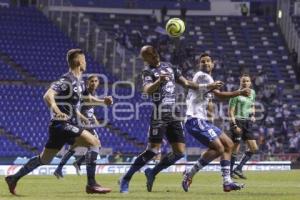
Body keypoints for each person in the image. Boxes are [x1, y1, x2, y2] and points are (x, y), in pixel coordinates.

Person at [5, 49, 112, 195]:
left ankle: (13, 178)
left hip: (61, 127)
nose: (86, 62)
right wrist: (57, 110)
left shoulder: (78, 82)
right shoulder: (66, 80)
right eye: (84, 59)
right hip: (63, 124)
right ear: (78, 61)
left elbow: (85, 99)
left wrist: (102, 101)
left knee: (44, 159)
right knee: (94, 143)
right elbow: (48, 95)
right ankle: (91, 184)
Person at [119, 45, 222, 193]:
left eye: (154, 52)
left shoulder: (169, 66)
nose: (154, 55)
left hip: (174, 113)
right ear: (145, 58)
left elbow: (187, 83)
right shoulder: (148, 72)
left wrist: (208, 86)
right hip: (159, 112)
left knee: (179, 152)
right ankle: (126, 179)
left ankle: (152, 172)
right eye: (149, 54)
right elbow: (147, 90)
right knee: (153, 150)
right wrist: (159, 81)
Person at [182, 53, 250, 192]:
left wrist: (210, 109)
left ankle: (227, 182)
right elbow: (219, 95)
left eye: (208, 61)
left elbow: (210, 99)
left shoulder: (209, 79)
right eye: (203, 61)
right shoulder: (202, 75)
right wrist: (239, 92)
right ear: (199, 65)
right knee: (219, 148)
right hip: (195, 119)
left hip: (203, 120)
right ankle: (190, 174)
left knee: (229, 145)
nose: (206, 63)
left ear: (213, 64)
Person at [53, 75, 104, 177]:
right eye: (91, 81)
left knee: (75, 146)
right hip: (83, 122)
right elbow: (81, 105)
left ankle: (60, 168)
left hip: (87, 121)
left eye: (96, 81)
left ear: (98, 83)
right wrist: (103, 102)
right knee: (96, 145)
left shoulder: (93, 93)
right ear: (87, 82)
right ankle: (79, 164)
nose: (94, 83)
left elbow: (89, 107)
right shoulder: (85, 92)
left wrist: (94, 118)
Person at [229, 74, 258, 179]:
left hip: (247, 123)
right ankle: (230, 171)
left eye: (247, 81)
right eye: (243, 81)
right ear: (240, 82)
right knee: (236, 147)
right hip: (237, 121)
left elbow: (252, 105)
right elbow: (230, 111)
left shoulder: (253, 93)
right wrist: (234, 125)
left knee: (254, 148)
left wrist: (253, 115)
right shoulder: (236, 94)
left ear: (250, 83)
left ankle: (238, 168)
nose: (245, 83)